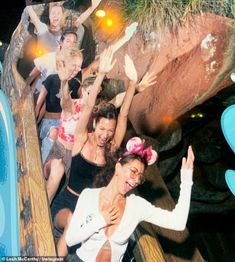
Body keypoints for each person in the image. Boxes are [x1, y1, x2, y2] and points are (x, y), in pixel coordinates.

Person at [50, 48, 151, 256]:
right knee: (71, 222)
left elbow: (123, 116)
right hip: (68, 202)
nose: (106, 135)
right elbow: (87, 107)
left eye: (110, 131)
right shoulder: (81, 139)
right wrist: (102, 74)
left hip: (94, 209)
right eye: (102, 128)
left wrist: (133, 84)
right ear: (94, 124)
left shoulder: (111, 149)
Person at [65, 138, 194, 262]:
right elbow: (70, 239)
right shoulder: (89, 196)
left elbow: (178, 222)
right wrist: (100, 220)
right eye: (133, 171)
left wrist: (187, 180)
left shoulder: (136, 206)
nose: (136, 180)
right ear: (118, 167)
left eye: (140, 177)